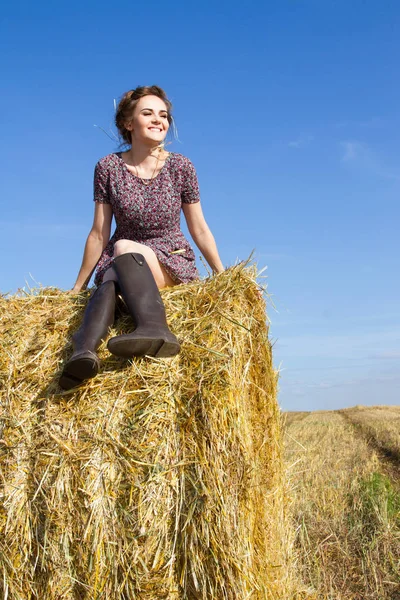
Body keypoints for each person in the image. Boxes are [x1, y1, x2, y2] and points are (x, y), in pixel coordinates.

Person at [59, 85, 224, 390]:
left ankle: (155, 327)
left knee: (121, 249)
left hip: (169, 257)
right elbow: (98, 232)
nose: (158, 120)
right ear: (128, 123)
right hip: (122, 261)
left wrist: (222, 275)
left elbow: (198, 227)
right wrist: (78, 286)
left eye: (163, 115)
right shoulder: (108, 168)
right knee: (109, 276)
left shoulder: (180, 167)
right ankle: (84, 353)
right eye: (147, 113)